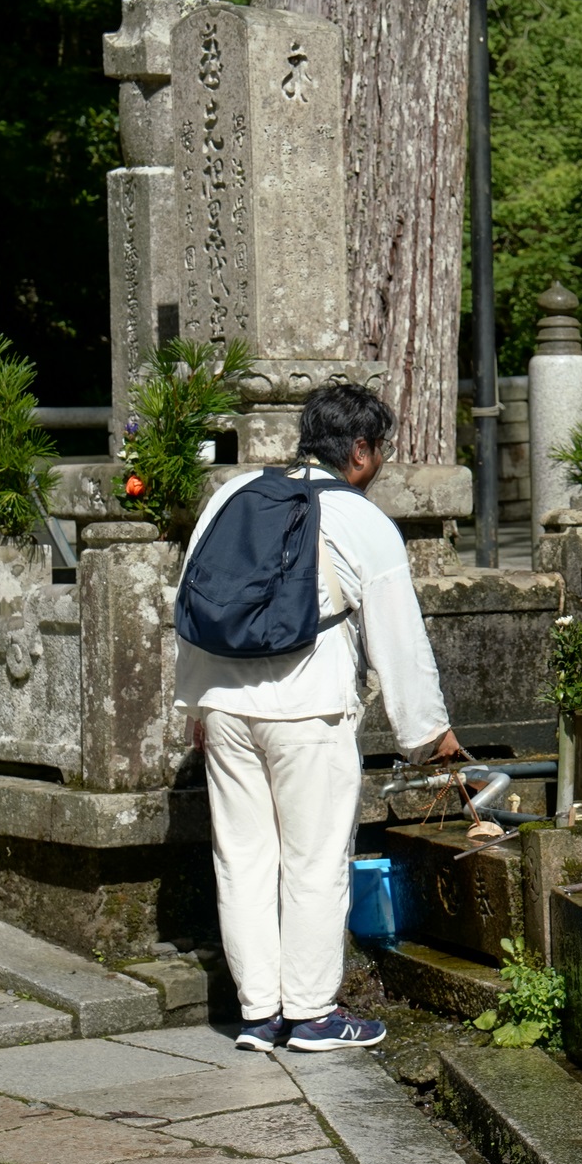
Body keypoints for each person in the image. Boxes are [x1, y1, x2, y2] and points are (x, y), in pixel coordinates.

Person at [174, 384, 463, 1052]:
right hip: (308, 710)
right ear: (359, 451)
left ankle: (257, 1013)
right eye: (381, 449)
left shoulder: (231, 495)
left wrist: (193, 703)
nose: (382, 461)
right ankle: (311, 1014)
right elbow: (399, 637)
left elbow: (190, 601)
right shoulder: (360, 520)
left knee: (241, 857)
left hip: (223, 706)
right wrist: (428, 732)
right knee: (314, 860)